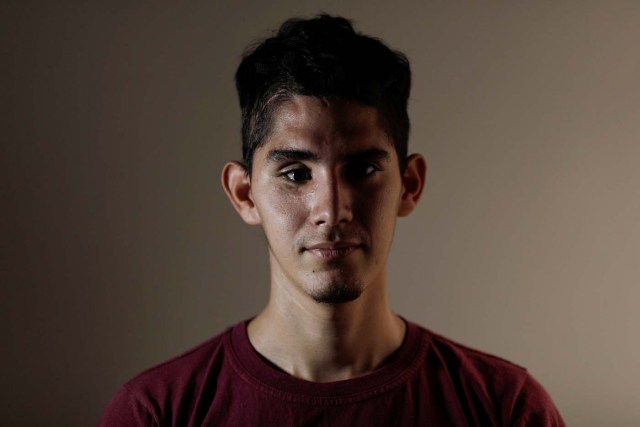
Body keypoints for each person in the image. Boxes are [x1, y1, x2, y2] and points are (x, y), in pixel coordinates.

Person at [99, 14, 565, 426]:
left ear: (410, 184)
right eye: (296, 173)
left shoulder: (505, 408)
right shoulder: (156, 413)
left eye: (362, 169)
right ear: (245, 194)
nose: (332, 209)